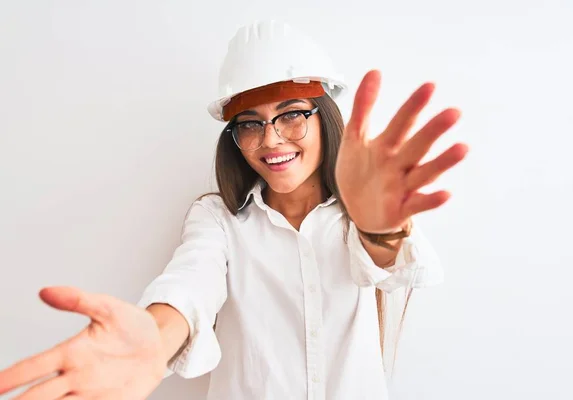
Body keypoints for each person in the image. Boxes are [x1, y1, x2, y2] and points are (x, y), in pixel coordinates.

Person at [0, 20, 468, 400]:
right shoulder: (219, 221)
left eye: (291, 114)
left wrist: (379, 227)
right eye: (249, 124)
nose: (270, 140)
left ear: (323, 117)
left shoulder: (359, 218)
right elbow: (189, 284)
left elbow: (391, 265)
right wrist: (154, 341)